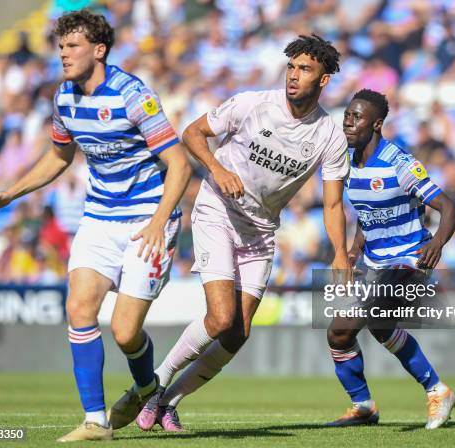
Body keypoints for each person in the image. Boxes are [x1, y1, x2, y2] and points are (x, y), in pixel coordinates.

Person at [0, 9, 191, 442]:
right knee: (78, 310)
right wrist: (11, 193)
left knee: (125, 331)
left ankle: (148, 387)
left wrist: (156, 222)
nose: (63, 54)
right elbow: (59, 156)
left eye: (72, 46)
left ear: (99, 50)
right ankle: (96, 421)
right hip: (99, 218)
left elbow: (179, 164)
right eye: (60, 47)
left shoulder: (133, 95)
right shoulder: (64, 98)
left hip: (148, 219)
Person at [133, 34, 351, 432]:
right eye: (291, 67)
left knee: (239, 332)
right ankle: (154, 385)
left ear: (323, 80)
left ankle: (169, 401)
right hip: (218, 210)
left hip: (261, 231)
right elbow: (192, 134)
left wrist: (339, 253)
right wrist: (218, 169)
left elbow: (333, 204)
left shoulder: (329, 135)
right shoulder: (253, 103)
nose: (294, 76)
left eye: (305, 69)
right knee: (220, 318)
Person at [326, 89, 455, 429]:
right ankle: (364, 406)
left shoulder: (399, 163)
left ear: (377, 123)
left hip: (409, 260)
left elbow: (449, 208)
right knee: (340, 334)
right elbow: (368, 212)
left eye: (357, 118)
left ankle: (435, 390)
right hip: (374, 262)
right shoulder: (349, 163)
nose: (349, 122)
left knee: (371, 316)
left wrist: (438, 244)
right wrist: (355, 248)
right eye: (347, 116)